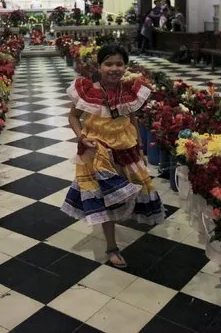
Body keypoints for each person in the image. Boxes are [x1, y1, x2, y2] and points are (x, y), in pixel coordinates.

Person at [62, 44, 164, 268]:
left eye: (119, 64)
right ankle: (111, 247)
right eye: (109, 63)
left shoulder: (128, 91)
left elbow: (132, 119)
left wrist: (139, 148)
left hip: (126, 149)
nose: (114, 68)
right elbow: (73, 117)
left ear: (125, 66)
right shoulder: (88, 90)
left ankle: (119, 227)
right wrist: (81, 137)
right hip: (97, 152)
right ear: (99, 66)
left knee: (131, 190)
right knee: (105, 198)